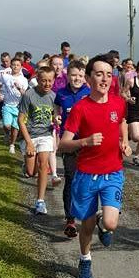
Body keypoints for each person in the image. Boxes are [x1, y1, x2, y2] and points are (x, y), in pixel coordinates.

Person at [58, 56, 132, 278]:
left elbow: (121, 122)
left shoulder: (119, 103)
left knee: (111, 223)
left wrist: (125, 141)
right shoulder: (80, 108)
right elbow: (63, 144)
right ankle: (85, 259)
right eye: (99, 74)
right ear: (89, 79)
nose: (105, 79)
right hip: (87, 174)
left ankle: (104, 223)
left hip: (113, 172)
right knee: (86, 226)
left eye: (109, 75)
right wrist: (85, 142)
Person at [54, 59, 90, 238]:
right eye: (73, 75)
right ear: (67, 76)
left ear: (85, 77)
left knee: (86, 180)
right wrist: (56, 118)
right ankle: (70, 220)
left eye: (80, 76)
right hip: (69, 143)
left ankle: (87, 214)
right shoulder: (61, 93)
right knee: (70, 177)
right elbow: (55, 109)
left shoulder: (90, 92)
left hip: (88, 142)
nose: (77, 78)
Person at [18, 66, 57, 215]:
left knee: (43, 165)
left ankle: (40, 201)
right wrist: (28, 142)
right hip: (30, 135)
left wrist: (56, 120)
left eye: (50, 81)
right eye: (43, 81)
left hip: (46, 134)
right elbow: (21, 120)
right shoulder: (29, 95)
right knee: (30, 172)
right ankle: (26, 166)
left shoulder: (53, 96)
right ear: (37, 80)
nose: (47, 84)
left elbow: (53, 115)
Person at [0, 56, 28, 153]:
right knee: (7, 125)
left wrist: (18, 88)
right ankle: (7, 133)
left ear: (21, 67)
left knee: (15, 127)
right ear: (10, 66)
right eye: (14, 65)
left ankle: (12, 145)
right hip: (7, 105)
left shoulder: (23, 80)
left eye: (18, 65)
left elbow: (24, 94)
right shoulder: (6, 76)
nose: (15, 67)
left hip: (18, 106)